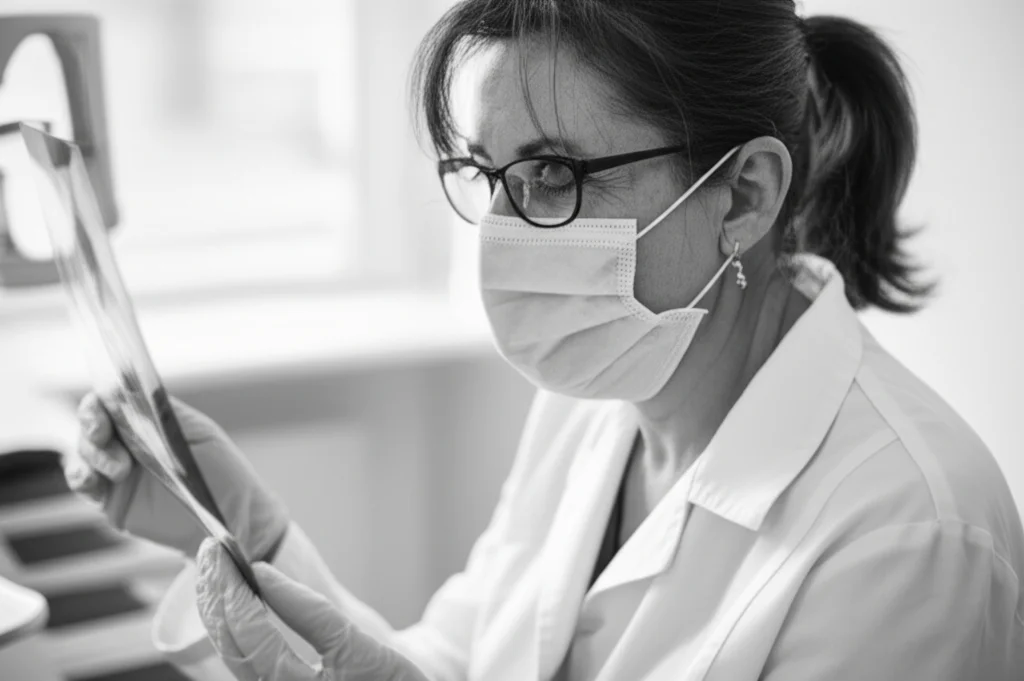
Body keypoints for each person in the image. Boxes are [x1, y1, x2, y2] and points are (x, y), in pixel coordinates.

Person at [66, 1, 1024, 680]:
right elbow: (457, 662)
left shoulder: (910, 536)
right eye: (489, 172)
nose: (506, 229)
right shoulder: (595, 389)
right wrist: (250, 530)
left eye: (556, 172)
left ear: (744, 195)